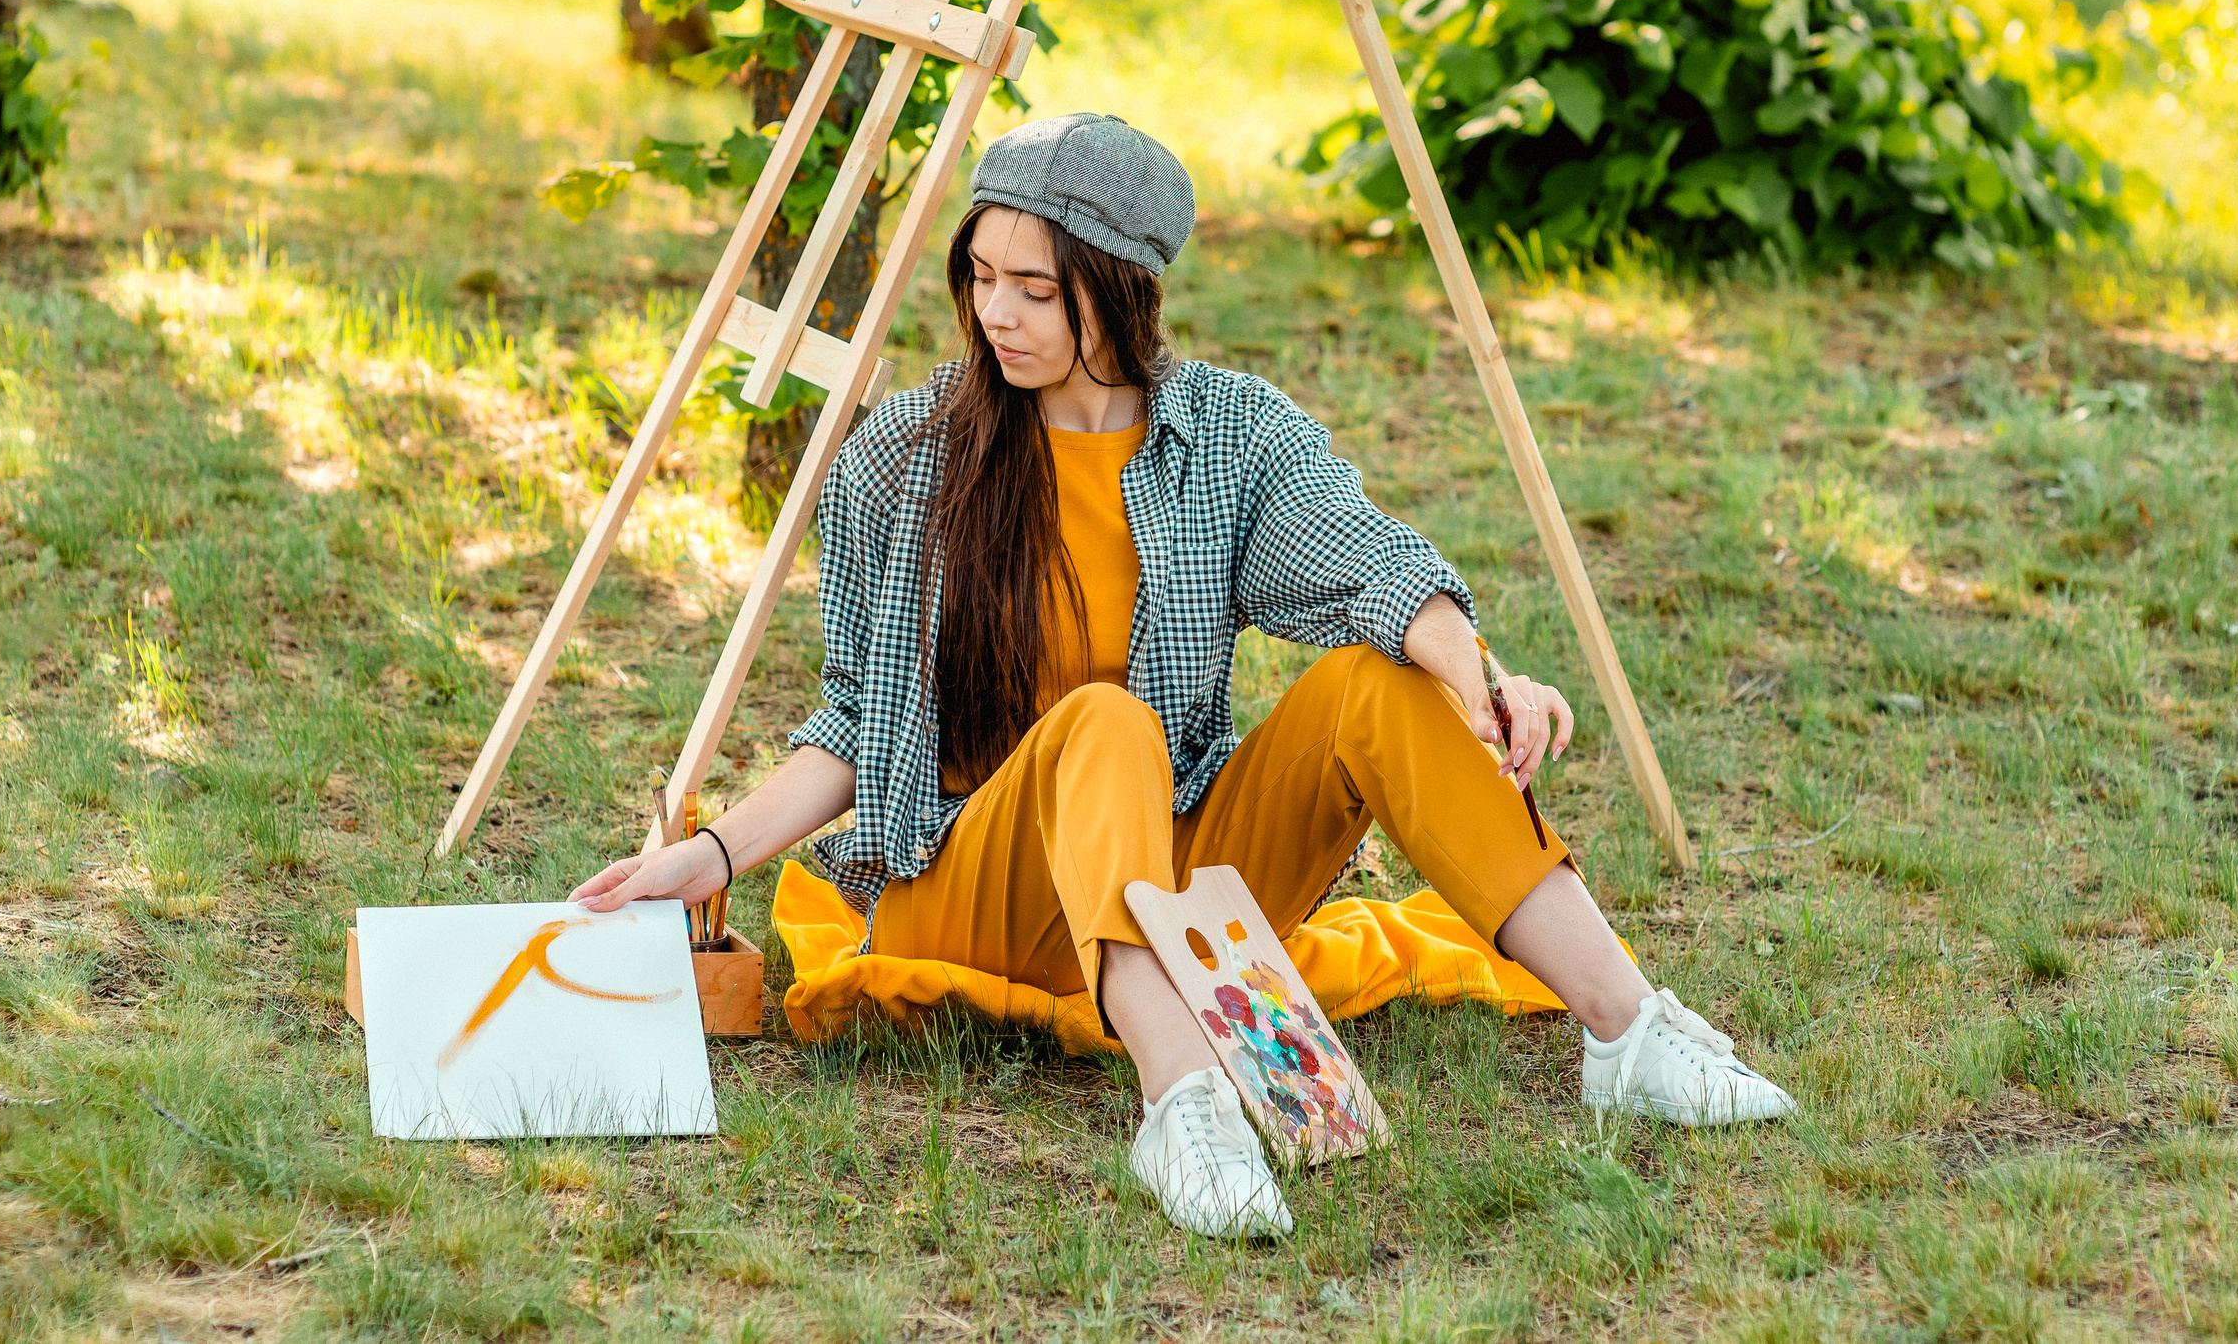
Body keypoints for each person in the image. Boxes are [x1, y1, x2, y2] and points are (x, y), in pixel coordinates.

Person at [573, 113, 1795, 1238]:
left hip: (1156, 874)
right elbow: (852, 715)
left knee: (1380, 679)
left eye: (1037, 290)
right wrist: (717, 852)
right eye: (981, 278)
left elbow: (1367, 560)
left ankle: (1628, 1033)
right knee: (1105, 721)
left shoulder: (1227, 436)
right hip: (970, 884)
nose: (999, 315)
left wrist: (1481, 676)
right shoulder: (906, 453)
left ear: (1122, 290)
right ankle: (1185, 1106)